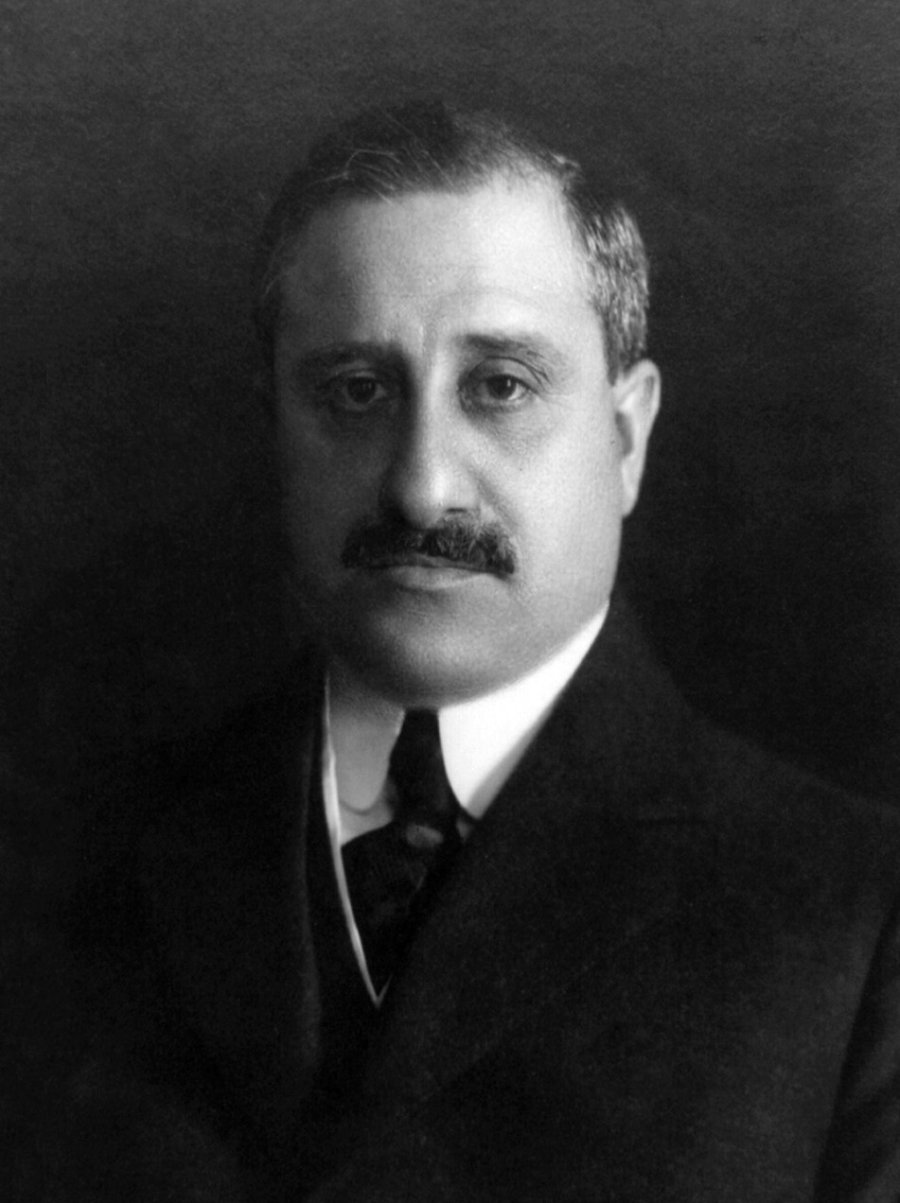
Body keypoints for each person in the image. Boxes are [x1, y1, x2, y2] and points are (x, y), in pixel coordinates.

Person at [8, 99, 900, 1202]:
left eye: (501, 386)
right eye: (356, 392)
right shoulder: (65, 865)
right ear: (276, 426)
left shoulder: (855, 913)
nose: (421, 486)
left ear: (625, 438)